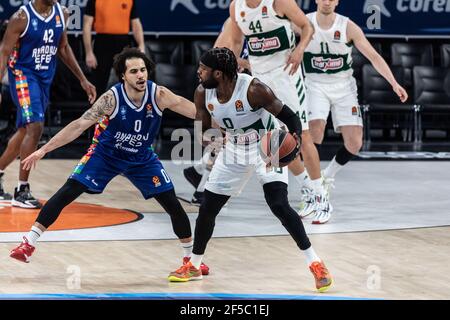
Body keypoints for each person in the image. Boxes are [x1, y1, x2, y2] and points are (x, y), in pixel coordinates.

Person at [9, 48, 209, 276]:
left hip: (141, 157)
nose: (141, 75)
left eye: (143, 70)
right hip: (106, 155)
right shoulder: (111, 99)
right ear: (123, 76)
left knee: (172, 203)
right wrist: (43, 149)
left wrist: (226, 125)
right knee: (68, 191)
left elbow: (197, 111)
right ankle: (28, 244)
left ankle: (192, 260)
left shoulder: (159, 95)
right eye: (134, 71)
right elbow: (78, 125)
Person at [168, 48, 332, 293]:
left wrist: (294, 141)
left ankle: (316, 263)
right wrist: (211, 139)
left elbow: (290, 117)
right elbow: (203, 130)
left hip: (266, 147)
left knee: (278, 204)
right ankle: (194, 264)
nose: (198, 72)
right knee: (208, 209)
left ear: (219, 74)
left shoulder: (254, 89)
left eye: (203, 69)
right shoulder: (203, 93)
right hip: (233, 149)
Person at [215, 0, 332, 224]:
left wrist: (299, 51)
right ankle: (308, 189)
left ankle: (321, 196)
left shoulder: (279, 2)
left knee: (302, 134)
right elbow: (237, 41)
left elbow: (308, 27)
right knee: (277, 142)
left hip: (286, 74)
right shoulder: (236, 7)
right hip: (260, 80)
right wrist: (231, 68)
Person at [299, 0, 408, 220]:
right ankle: (312, 190)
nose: (327, 1)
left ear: (337, 1)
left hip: (343, 86)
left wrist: (394, 83)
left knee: (355, 143)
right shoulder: (304, 22)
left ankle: (326, 177)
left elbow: (374, 57)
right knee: (313, 134)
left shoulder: (348, 26)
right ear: (317, 0)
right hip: (314, 84)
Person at [0, 0, 96, 209]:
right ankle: (21, 190)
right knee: (35, 126)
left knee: (25, 130)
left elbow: (63, 48)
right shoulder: (21, 18)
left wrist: (82, 79)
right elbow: (4, 52)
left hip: (44, 79)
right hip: (23, 76)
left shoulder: (62, 13)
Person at [183, 17, 250, 205]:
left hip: (233, 89)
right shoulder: (233, 23)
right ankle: (201, 190)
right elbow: (214, 63)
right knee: (222, 140)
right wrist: (250, 64)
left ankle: (198, 170)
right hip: (218, 90)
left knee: (225, 139)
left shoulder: (254, 24)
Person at [83, 0, 145, 96]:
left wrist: (141, 45)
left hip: (123, 44)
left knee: (128, 82)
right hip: (102, 43)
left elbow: (136, 23)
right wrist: (89, 52)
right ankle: (96, 109)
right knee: (98, 83)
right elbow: (87, 25)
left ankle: (128, 109)